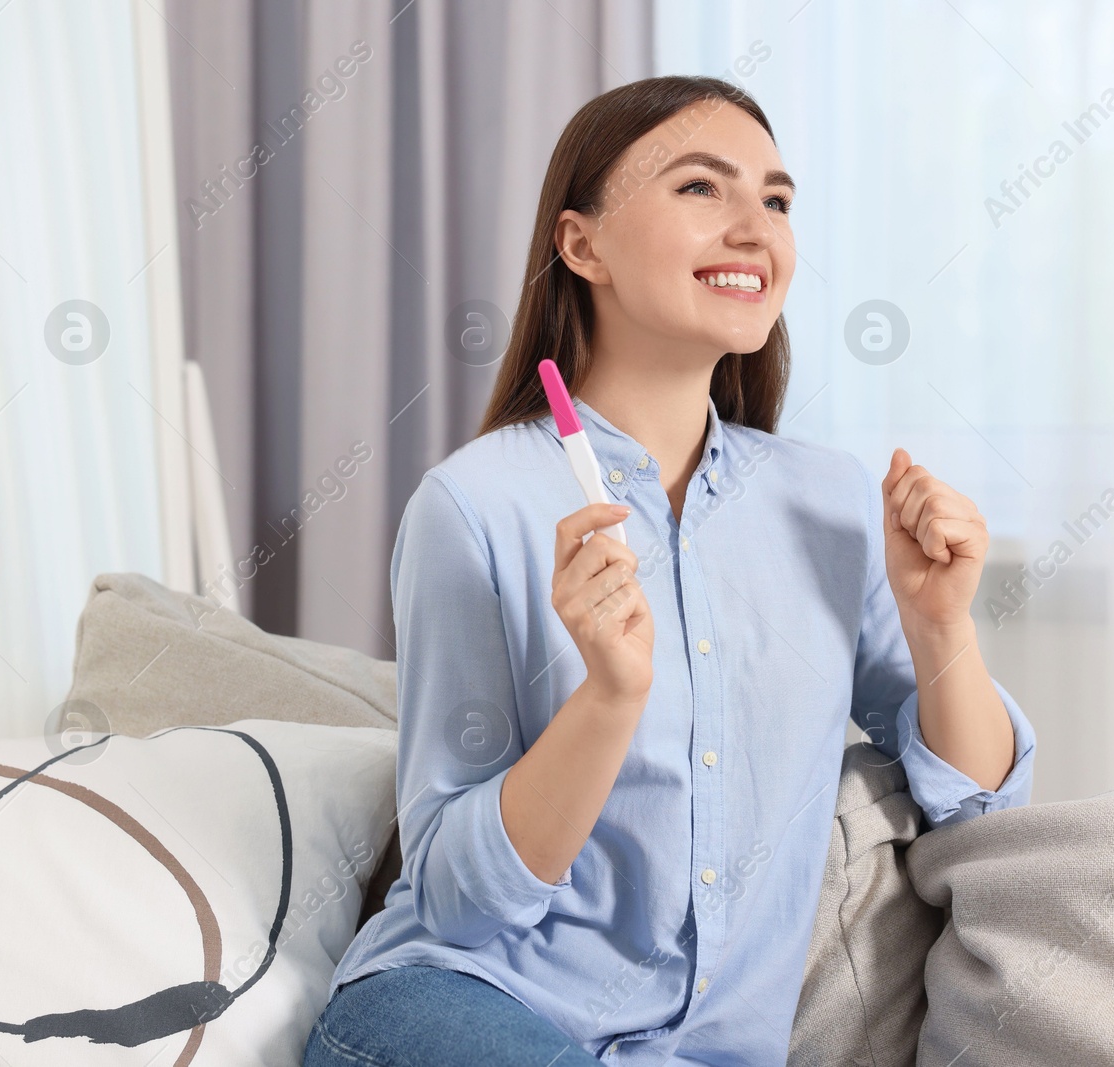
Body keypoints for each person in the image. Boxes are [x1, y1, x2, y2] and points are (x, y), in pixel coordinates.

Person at [303, 73, 1036, 1066]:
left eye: (775, 200)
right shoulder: (474, 506)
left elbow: (977, 804)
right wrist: (607, 697)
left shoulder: (826, 502)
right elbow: (455, 898)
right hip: (453, 1009)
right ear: (581, 244)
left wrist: (942, 622)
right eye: (701, 188)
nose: (755, 228)